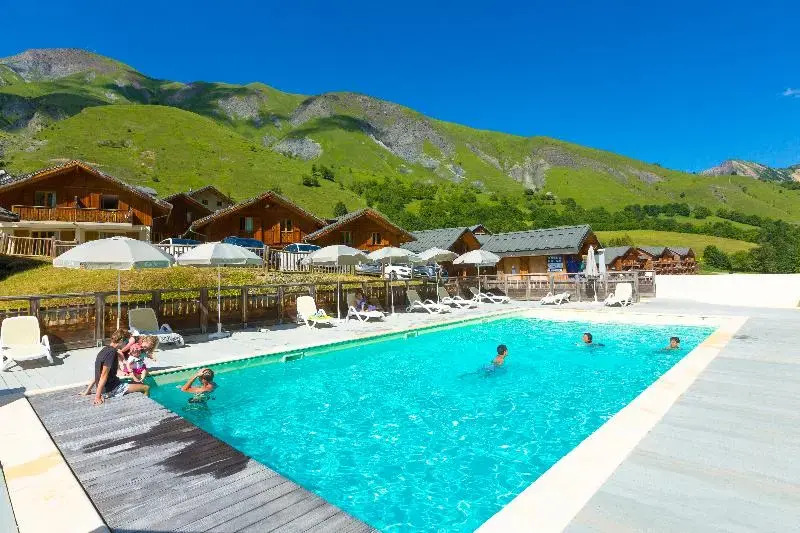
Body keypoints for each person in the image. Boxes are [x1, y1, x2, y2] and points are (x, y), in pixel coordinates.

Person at [81, 329, 150, 404]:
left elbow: (98, 373)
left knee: (135, 382)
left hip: (109, 387)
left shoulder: (105, 350)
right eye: (126, 342)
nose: (127, 345)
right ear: (121, 341)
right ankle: (144, 405)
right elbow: (103, 376)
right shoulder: (111, 353)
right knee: (146, 387)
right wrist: (97, 397)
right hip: (112, 389)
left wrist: (88, 390)